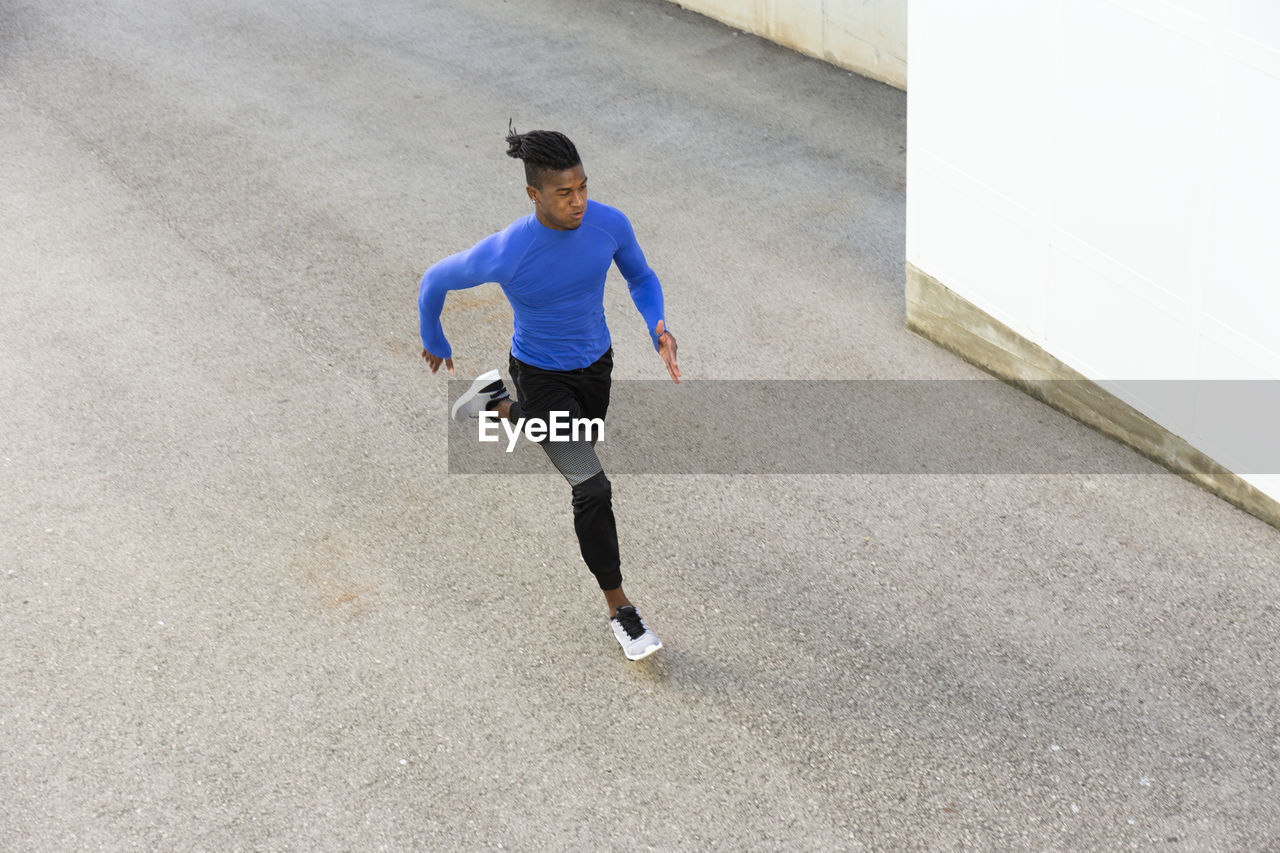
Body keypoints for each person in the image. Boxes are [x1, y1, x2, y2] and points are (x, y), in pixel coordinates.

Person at [418, 126, 680, 661]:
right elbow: (434, 280)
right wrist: (433, 336)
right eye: (564, 193)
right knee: (592, 487)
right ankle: (622, 612)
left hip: (596, 367)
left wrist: (657, 325)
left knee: (574, 431)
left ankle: (492, 403)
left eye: (583, 187)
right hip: (540, 371)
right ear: (534, 194)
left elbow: (641, 277)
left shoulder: (608, 224)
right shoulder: (506, 251)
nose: (578, 201)